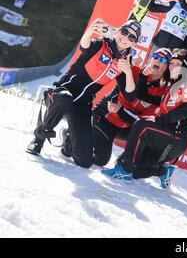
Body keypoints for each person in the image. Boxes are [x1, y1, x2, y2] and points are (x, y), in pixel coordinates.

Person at [26, 19, 142, 169]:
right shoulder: (101, 44)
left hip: (82, 105)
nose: (126, 38)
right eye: (125, 32)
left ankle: (69, 139)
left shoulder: (123, 63)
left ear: (134, 43)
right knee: (64, 98)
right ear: (118, 31)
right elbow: (85, 45)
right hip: (63, 93)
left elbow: (129, 95)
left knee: (85, 161)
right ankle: (38, 139)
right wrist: (90, 32)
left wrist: (128, 73)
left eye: (132, 37)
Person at [102, 50, 187, 188]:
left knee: (143, 125)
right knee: (135, 169)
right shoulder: (169, 89)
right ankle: (162, 170)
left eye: (178, 63)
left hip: (177, 138)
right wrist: (142, 75)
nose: (173, 66)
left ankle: (124, 170)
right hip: (164, 137)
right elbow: (142, 94)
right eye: (171, 63)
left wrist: (158, 121)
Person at [90, 48, 172, 166]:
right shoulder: (134, 71)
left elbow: (141, 122)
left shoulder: (161, 93)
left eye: (163, 60)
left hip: (124, 126)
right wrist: (130, 59)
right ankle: (75, 135)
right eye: (155, 56)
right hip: (106, 118)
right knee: (100, 160)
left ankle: (125, 164)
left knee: (149, 135)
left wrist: (121, 110)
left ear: (167, 67)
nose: (157, 61)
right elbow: (117, 61)